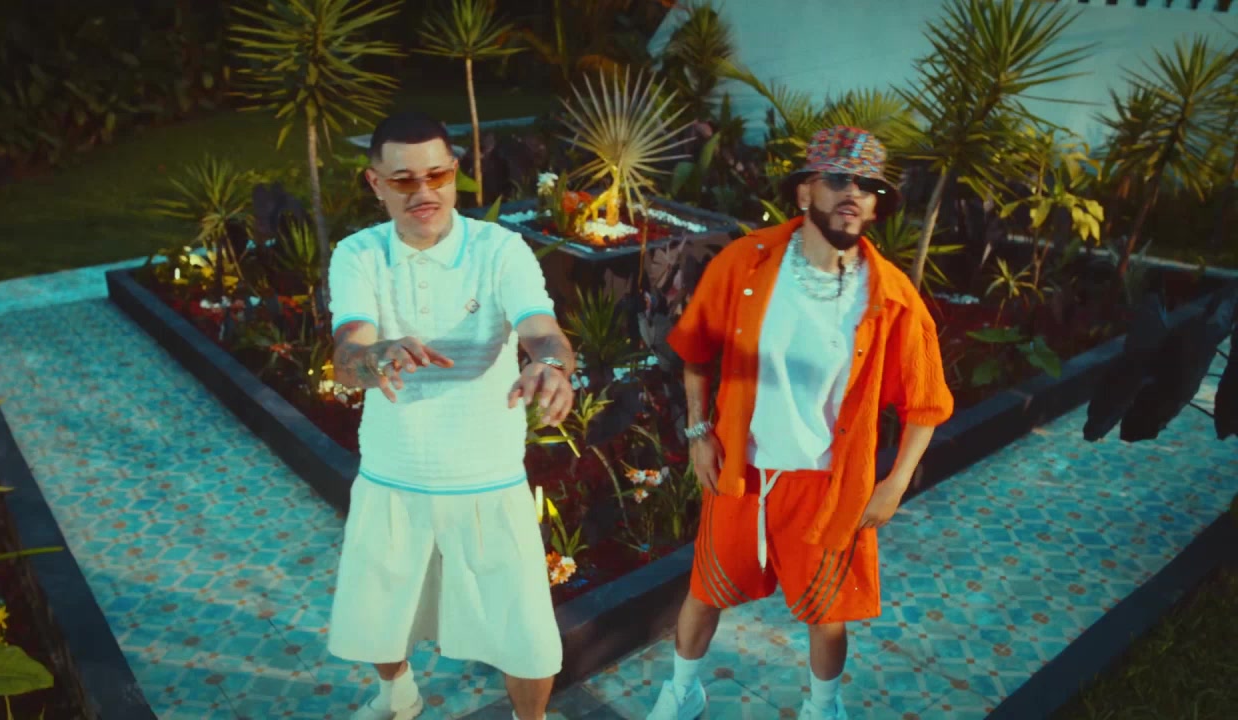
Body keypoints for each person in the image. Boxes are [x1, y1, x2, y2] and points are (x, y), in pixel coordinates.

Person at [648, 126, 955, 720]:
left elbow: (926, 404)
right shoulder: (746, 262)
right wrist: (698, 432)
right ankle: (683, 692)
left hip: (826, 485)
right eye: (838, 178)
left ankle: (823, 707)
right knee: (705, 592)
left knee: (828, 615)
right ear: (805, 191)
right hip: (742, 470)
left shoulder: (891, 298)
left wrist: (894, 484)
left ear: (875, 206)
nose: (853, 192)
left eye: (867, 186)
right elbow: (695, 349)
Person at [325, 111, 575, 720]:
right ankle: (397, 694)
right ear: (375, 183)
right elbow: (348, 356)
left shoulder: (500, 249)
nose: (425, 191)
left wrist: (551, 365)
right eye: (404, 179)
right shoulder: (357, 254)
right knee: (377, 614)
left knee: (527, 635)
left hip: (488, 477)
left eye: (437, 175)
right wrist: (374, 355)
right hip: (393, 473)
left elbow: (542, 330)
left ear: (455, 172)